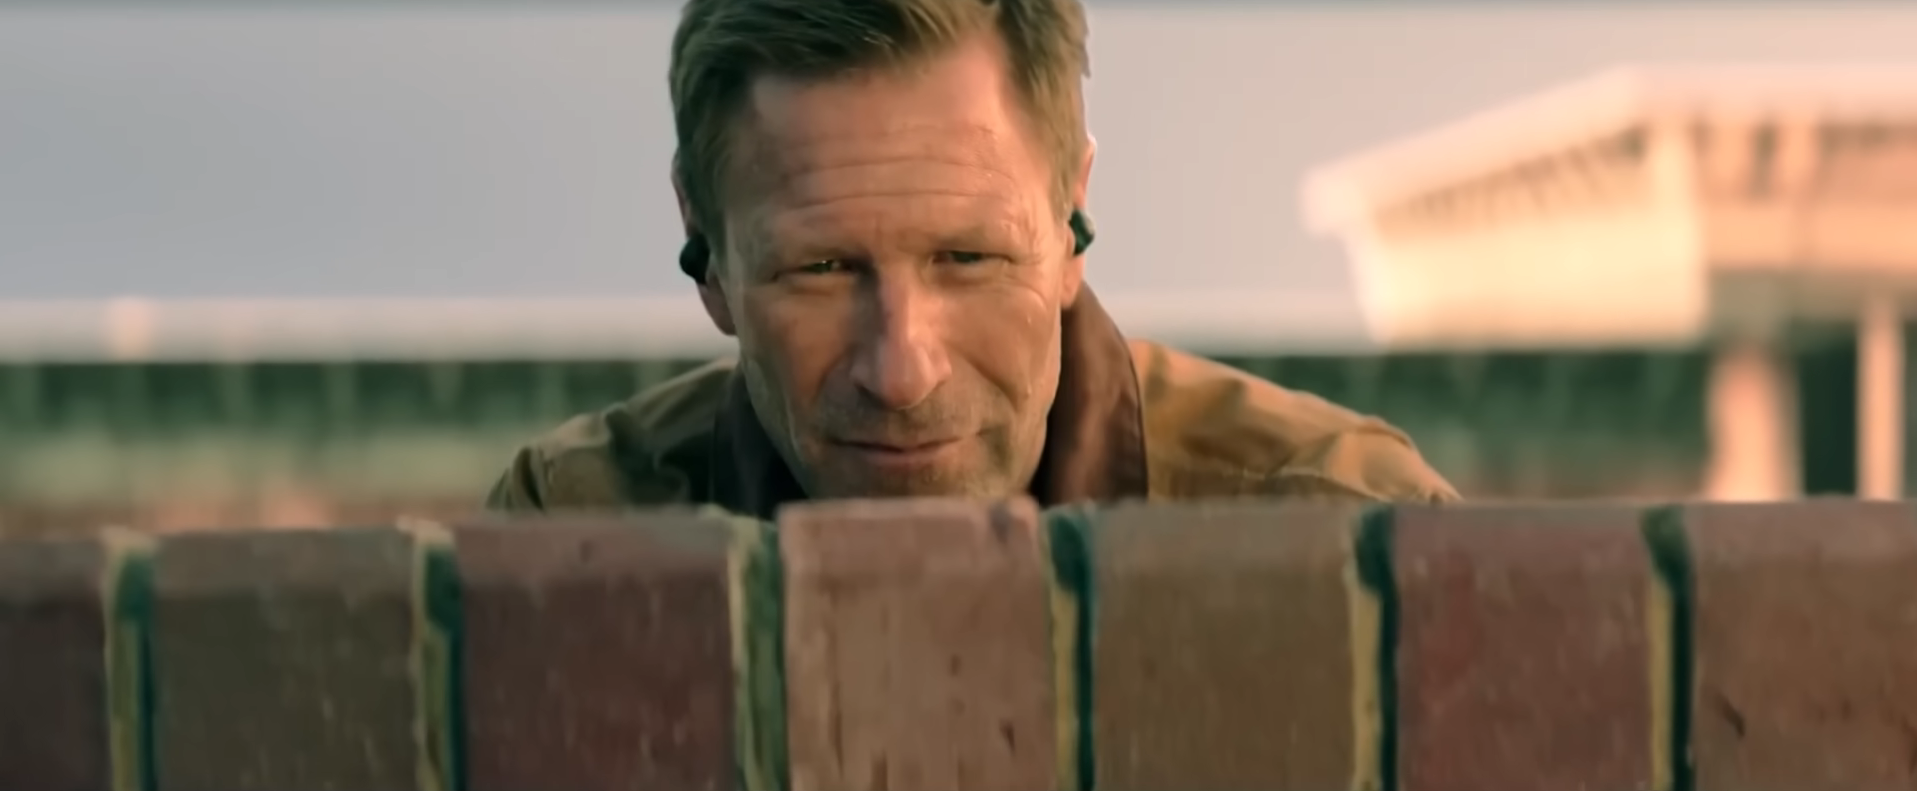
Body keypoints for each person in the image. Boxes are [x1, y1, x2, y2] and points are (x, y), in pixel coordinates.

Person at [486, 0, 1458, 516]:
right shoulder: (568, 532)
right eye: (820, 270)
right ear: (707, 254)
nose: (901, 371)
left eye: (967, 257)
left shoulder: (1350, 526)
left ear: (1071, 219)